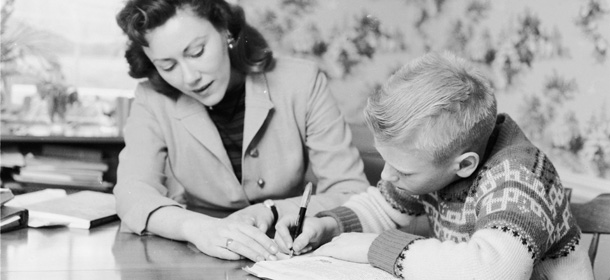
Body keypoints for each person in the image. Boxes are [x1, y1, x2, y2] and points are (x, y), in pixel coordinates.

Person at [274, 52, 594, 279]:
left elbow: (493, 272)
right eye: (386, 161)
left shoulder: (518, 177)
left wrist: (375, 246)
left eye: (403, 172)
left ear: (464, 165)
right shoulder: (440, 160)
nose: (386, 175)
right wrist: (328, 226)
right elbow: (385, 205)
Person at [113, 0, 369, 263]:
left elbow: (352, 192)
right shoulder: (151, 98)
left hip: (286, 253)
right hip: (203, 257)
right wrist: (196, 228)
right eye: (167, 66)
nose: (190, 78)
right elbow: (132, 194)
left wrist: (271, 211)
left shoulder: (301, 81)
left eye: (197, 52)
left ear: (226, 30)